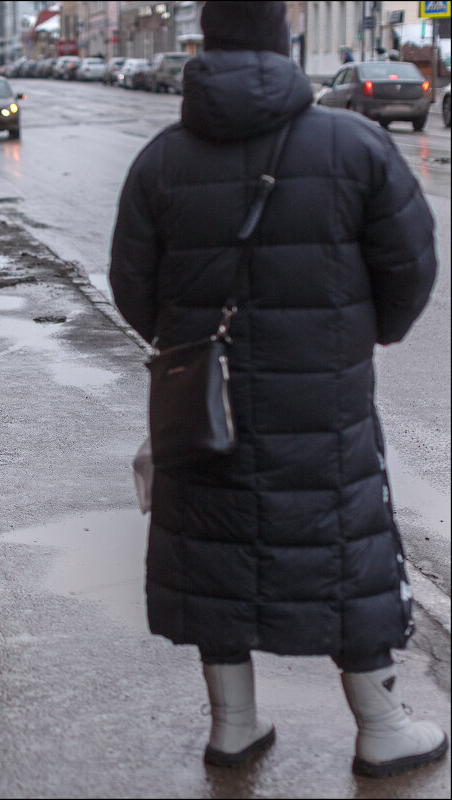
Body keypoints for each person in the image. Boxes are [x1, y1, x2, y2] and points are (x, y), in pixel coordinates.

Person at [109, 1, 447, 779]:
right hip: (322, 401)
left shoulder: (162, 159)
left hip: (205, 403)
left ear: (205, 46)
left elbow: (131, 287)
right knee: (344, 551)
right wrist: (363, 336)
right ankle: (382, 727)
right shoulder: (354, 145)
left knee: (213, 555)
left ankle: (232, 728)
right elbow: (412, 264)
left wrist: (185, 338)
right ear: (283, 42)